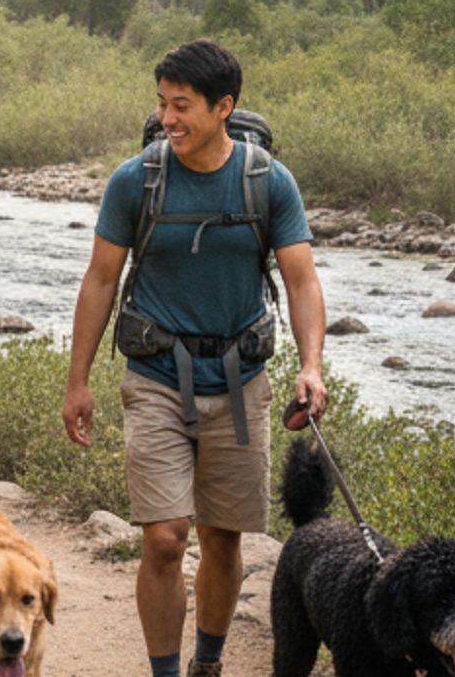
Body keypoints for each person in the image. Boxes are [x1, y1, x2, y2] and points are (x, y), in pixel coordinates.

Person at [63, 40, 326, 677]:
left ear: (222, 107)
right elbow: (100, 280)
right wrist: (78, 382)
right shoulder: (135, 181)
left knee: (222, 539)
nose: (168, 119)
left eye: (181, 106)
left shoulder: (268, 182)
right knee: (164, 538)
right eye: (162, 104)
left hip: (240, 381)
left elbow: (301, 281)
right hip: (155, 377)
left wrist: (311, 366)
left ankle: (208, 662)